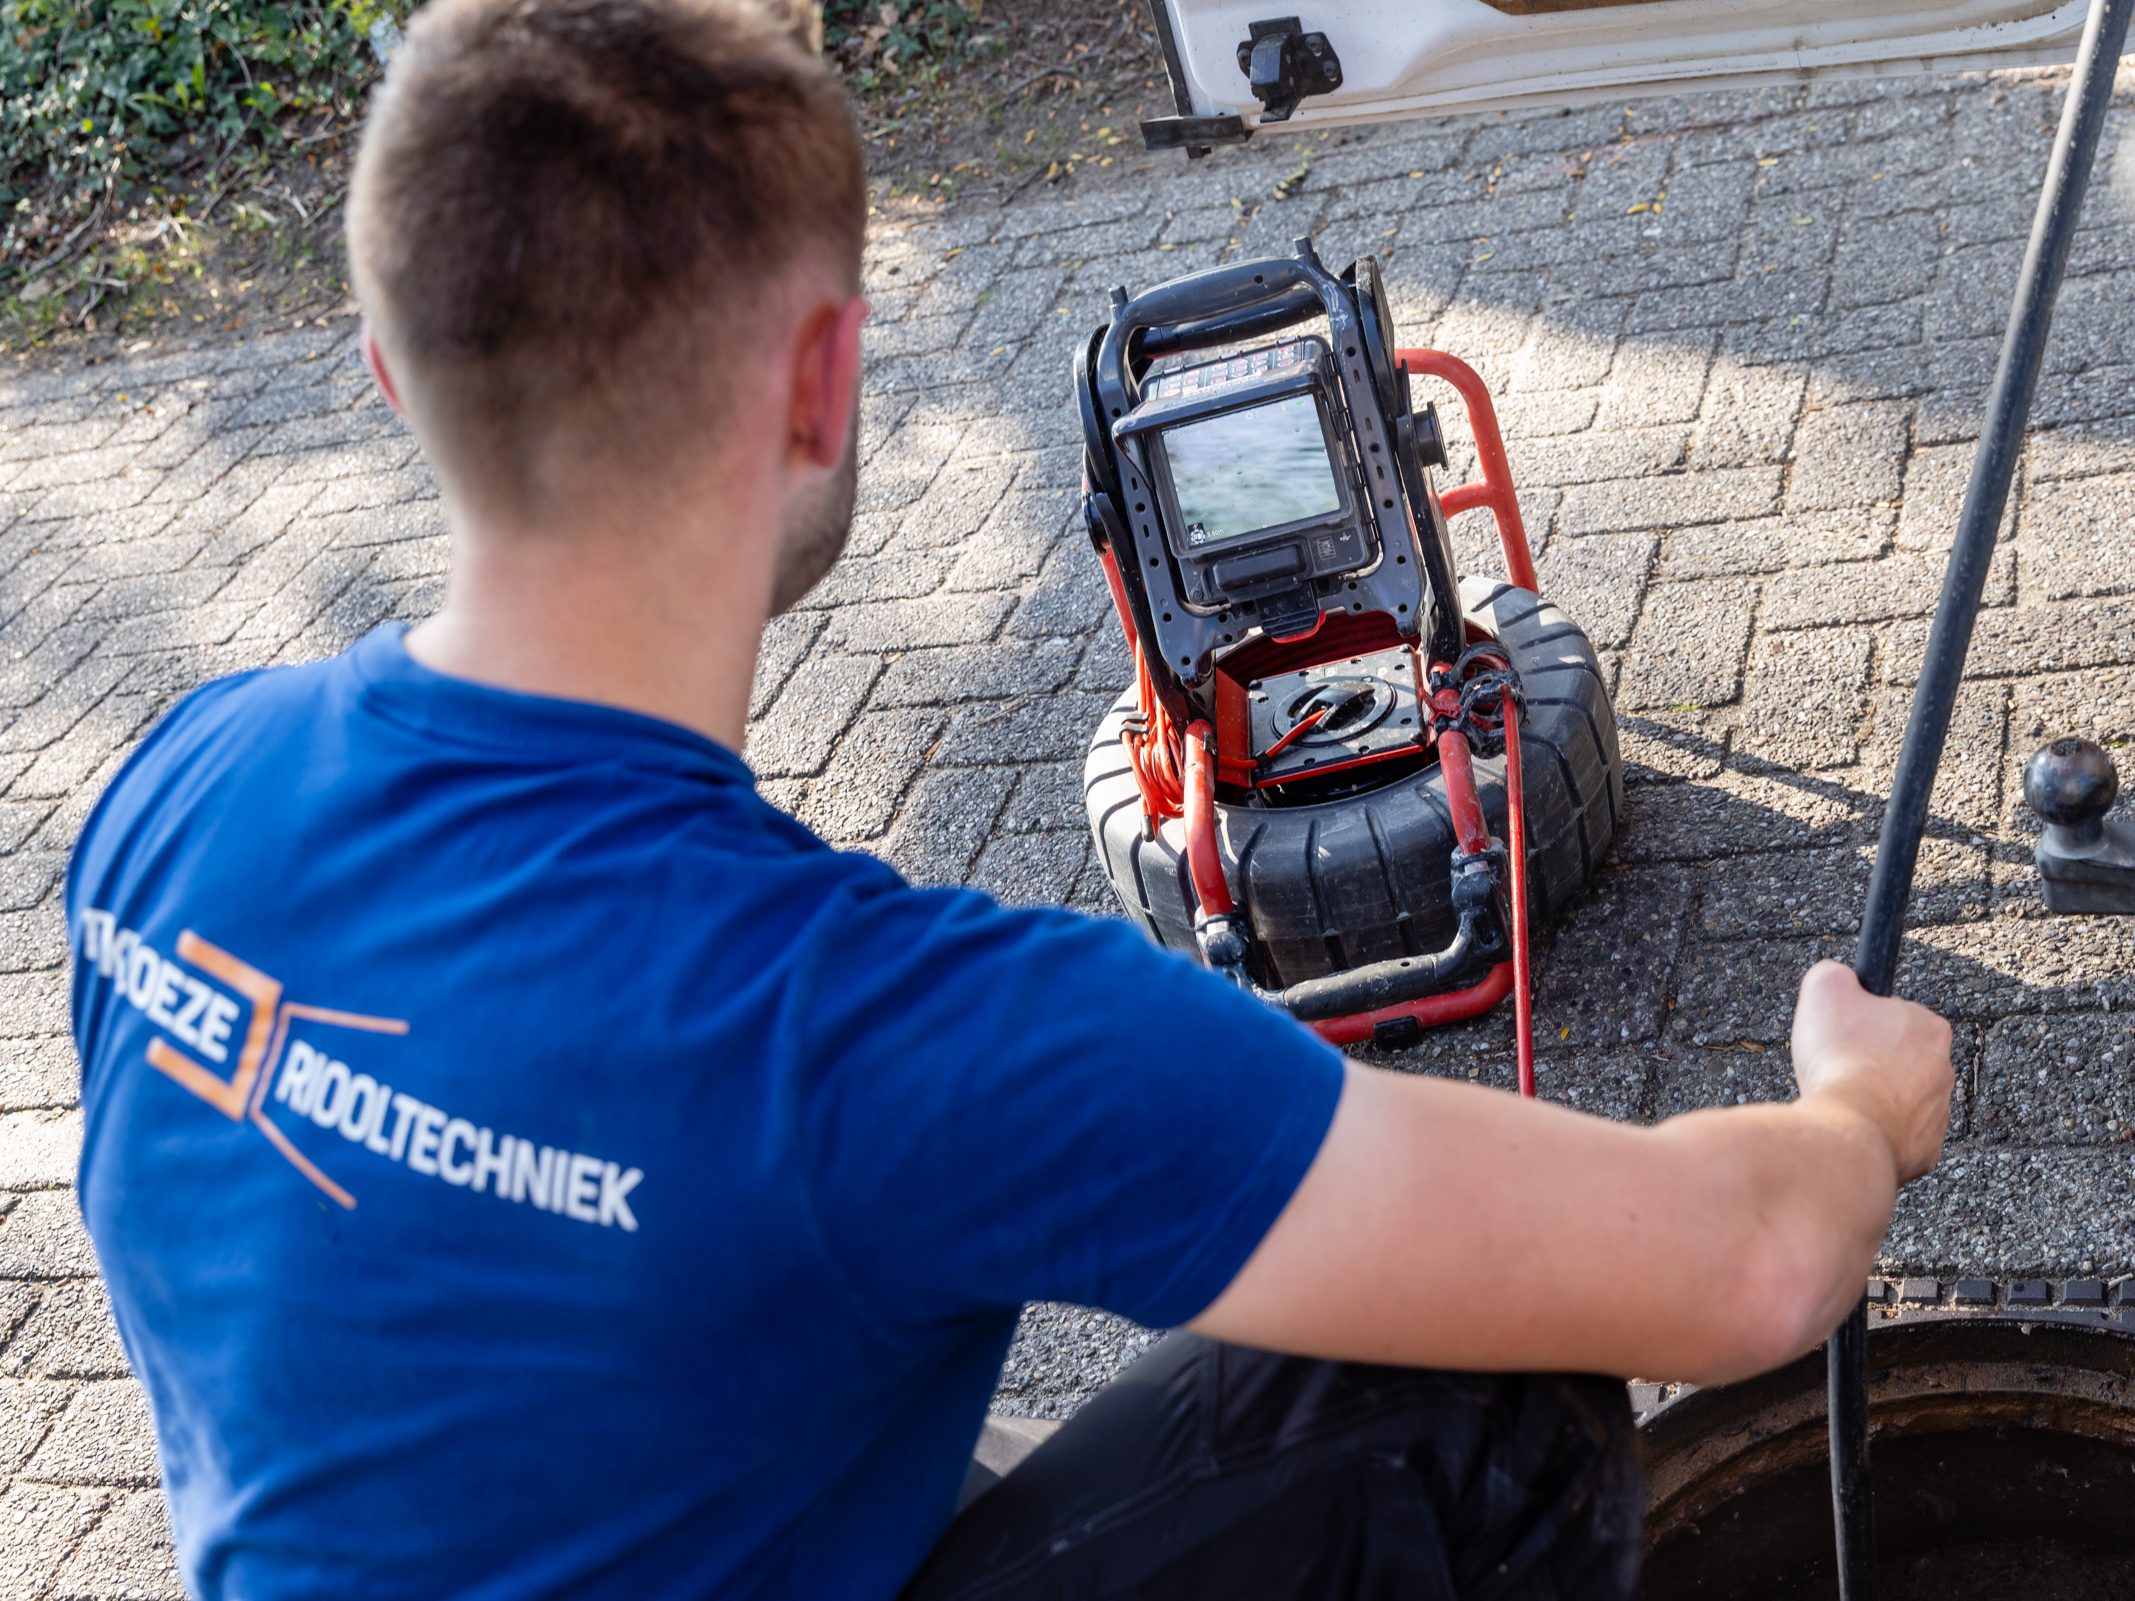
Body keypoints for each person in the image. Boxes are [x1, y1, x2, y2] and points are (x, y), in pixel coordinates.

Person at [63, 0, 1956, 1594]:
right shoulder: (883, 1035)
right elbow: (1747, 1263)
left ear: (389, 369)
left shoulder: (167, 793)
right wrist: (1861, 1106)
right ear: (822, 382)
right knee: (1473, 1400)